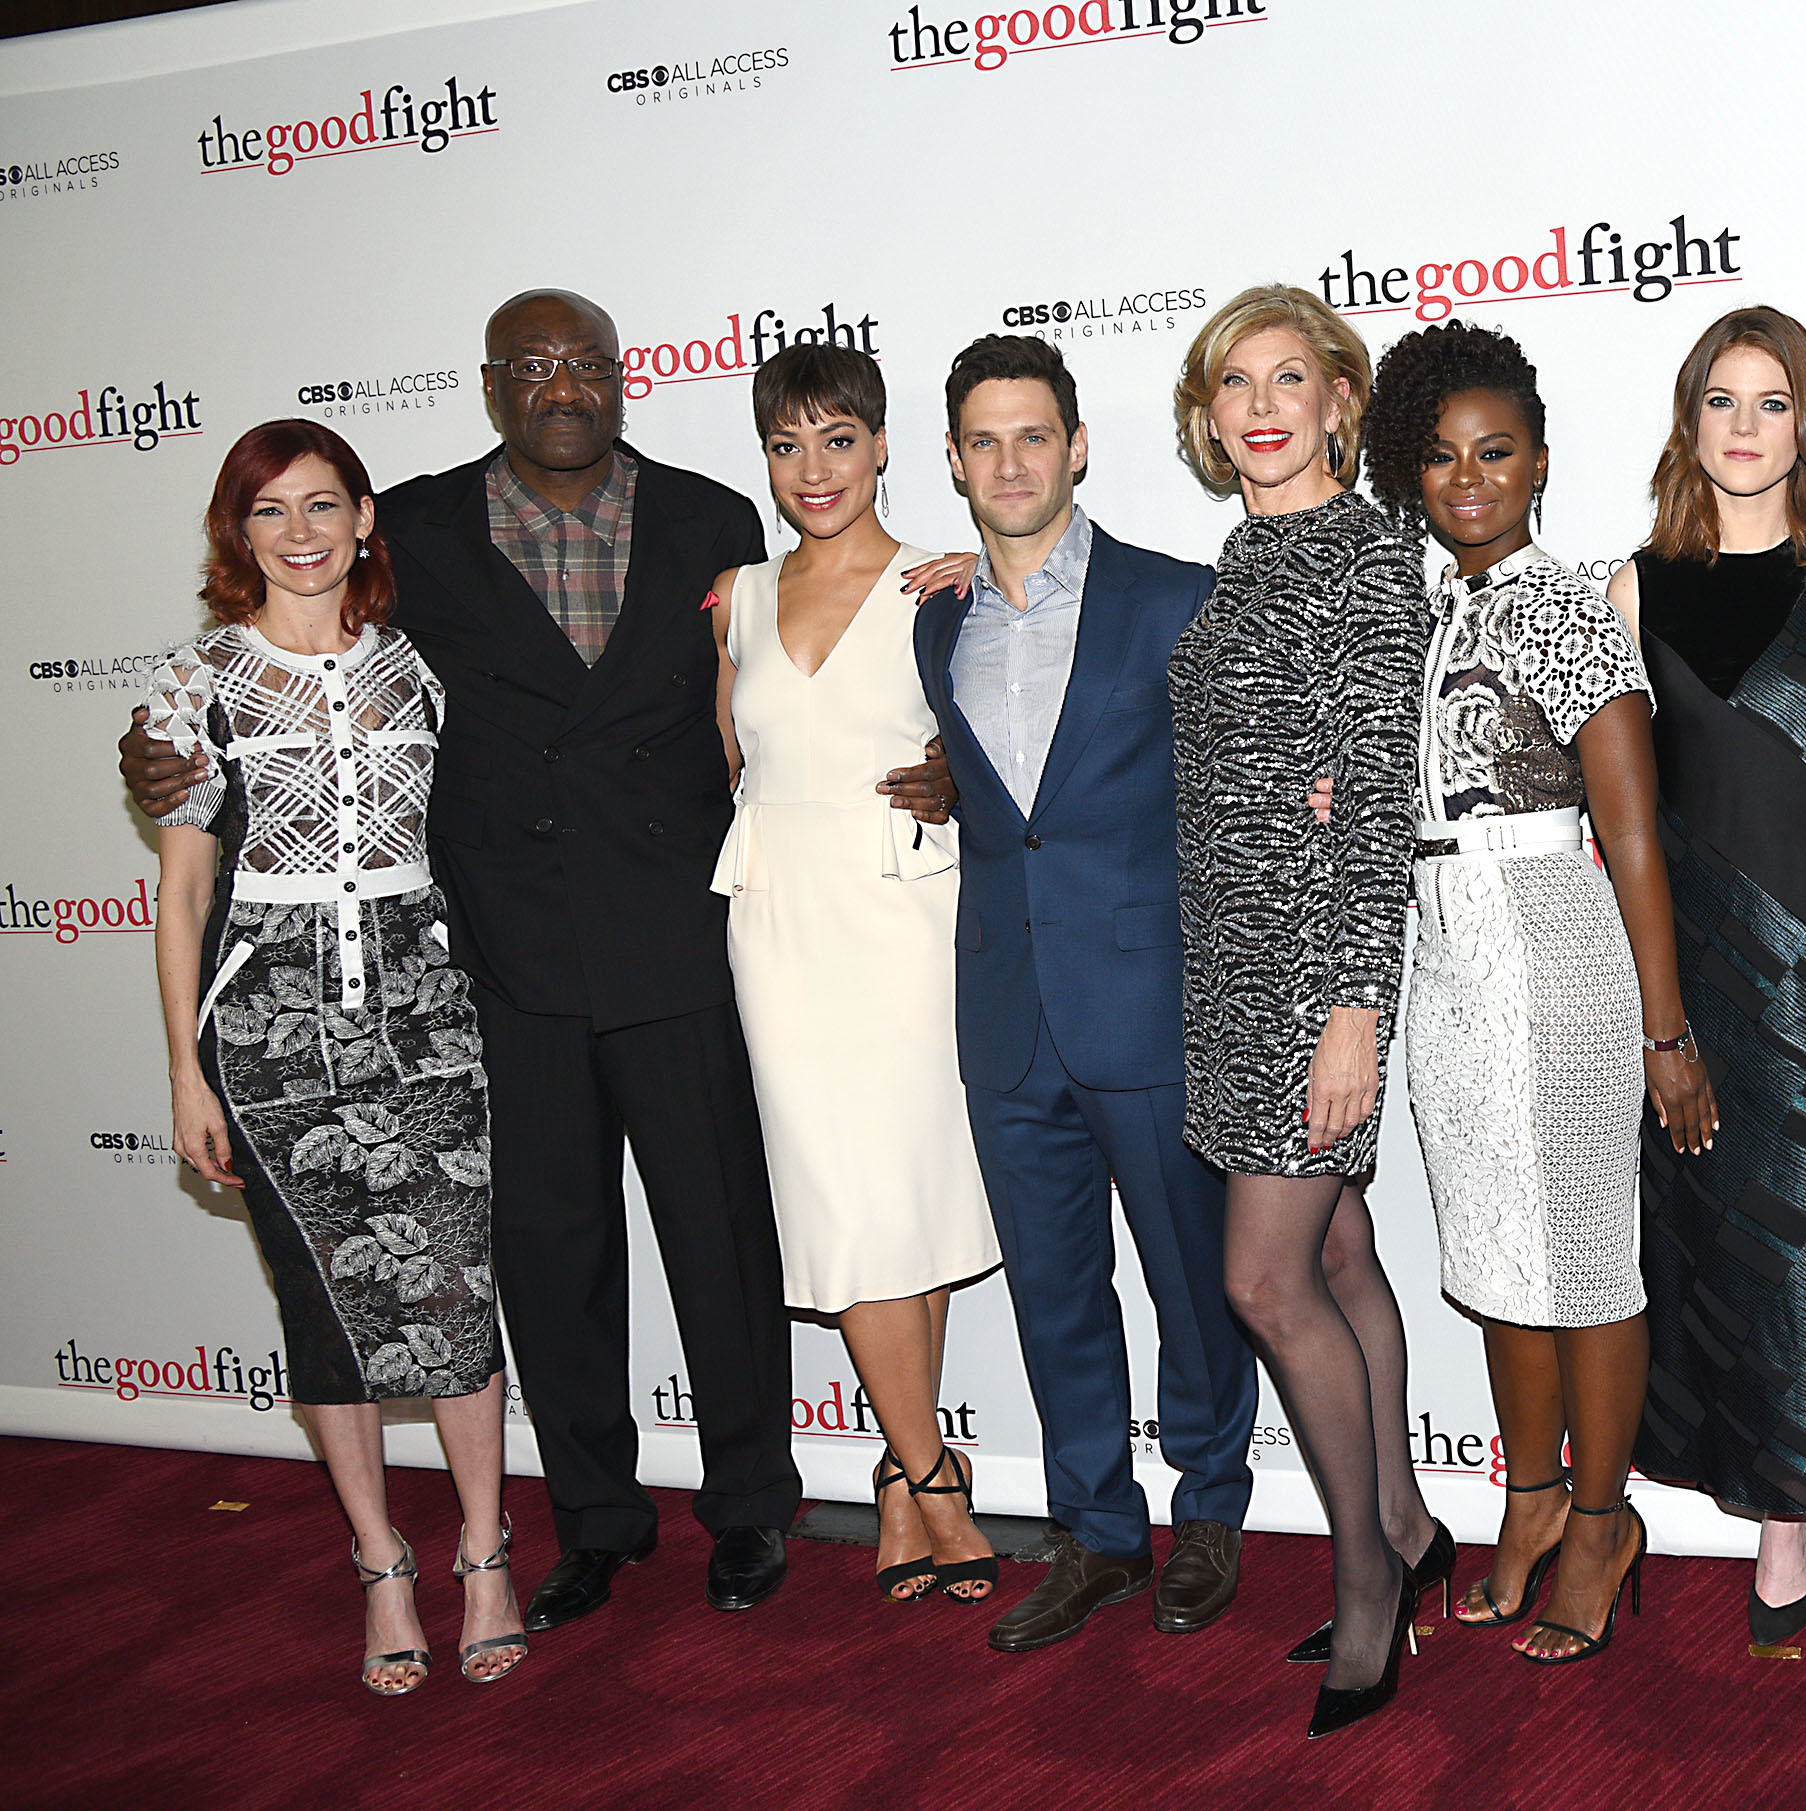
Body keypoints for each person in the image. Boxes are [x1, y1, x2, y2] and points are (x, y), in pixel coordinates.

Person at [118, 292, 929, 1625]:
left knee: (720, 1238)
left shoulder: (711, 517)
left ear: (622, 378)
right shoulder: (415, 526)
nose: (563, 385)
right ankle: (597, 1518)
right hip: (504, 953)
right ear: (493, 385)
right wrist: (164, 749)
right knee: (552, 1256)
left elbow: (784, 686)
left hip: (679, 933)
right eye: (533, 365)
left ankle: (748, 1504)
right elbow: (303, 665)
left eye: (586, 363)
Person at [890, 334, 1263, 1650]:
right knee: (1055, 1295)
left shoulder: (1176, 597)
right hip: (1006, 1012)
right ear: (954, 460)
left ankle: (1210, 1509)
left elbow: (1240, 799)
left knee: (1193, 1280)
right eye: (984, 440)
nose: (1010, 463)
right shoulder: (938, 617)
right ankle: (1096, 1529)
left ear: (1078, 446)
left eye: (1033, 435)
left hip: (1148, 1002)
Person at [145, 420, 523, 1694]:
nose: (299, 533)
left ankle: (484, 1549)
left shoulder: (419, 665)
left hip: (430, 1018)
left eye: (322, 505)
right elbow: (182, 894)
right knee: (325, 1306)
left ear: (366, 518)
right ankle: (379, 1559)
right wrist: (188, 1070)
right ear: (237, 533)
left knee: (455, 1292)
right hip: (268, 1029)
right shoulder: (196, 682)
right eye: (270, 511)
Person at [1358, 322, 1716, 1666]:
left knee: (1584, 1255)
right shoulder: (1422, 607)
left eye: (1496, 452)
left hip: (1554, 942)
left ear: (1542, 463)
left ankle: (1604, 1521)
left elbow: (1634, 835)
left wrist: (1665, 1030)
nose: (1469, 479)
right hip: (1447, 953)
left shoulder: (1565, 608)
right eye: (1442, 457)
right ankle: (1531, 1495)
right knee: (1497, 1251)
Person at [1607, 305, 1806, 1669]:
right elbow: (1624, 812)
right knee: (1735, 1257)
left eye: (1771, 401)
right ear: (1690, 422)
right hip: (1706, 987)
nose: (1743, 426)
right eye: (1719, 400)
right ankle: (1784, 1512)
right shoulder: (1635, 588)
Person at [1167, 284, 1438, 1739]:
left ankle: (1366, 1578)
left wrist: (1352, 1009)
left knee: (1265, 1282)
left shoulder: (1370, 557)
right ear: (1209, 415)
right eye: (1234, 383)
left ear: (1341, 399)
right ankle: (1404, 1519)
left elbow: (1376, 799)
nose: (1261, 406)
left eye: (1290, 378)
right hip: (1229, 961)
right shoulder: (1243, 554)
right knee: (1337, 1246)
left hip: (1309, 971)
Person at [706, 344, 1002, 1604]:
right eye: (787, 445)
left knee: (908, 1200)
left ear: (883, 447)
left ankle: (901, 1473)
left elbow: (1002, 746)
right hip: (783, 922)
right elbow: (731, 763)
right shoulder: (735, 596)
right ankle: (937, 1472)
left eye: (838, 439)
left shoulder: (948, 583)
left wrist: (956, 778)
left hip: (908, 914)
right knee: (846, 1204)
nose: (814, 468)